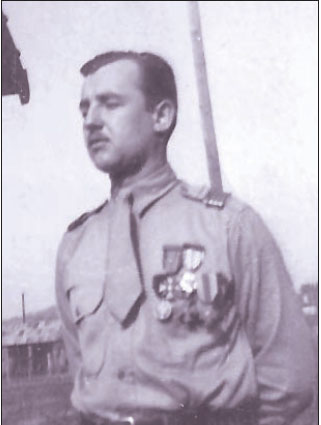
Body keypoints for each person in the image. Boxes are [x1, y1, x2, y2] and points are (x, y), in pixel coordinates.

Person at [55, 51, 315, 425]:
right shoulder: (76, 246)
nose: (91, 121)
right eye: (84, 110)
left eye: (110, 104)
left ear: (161, 116)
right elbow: (82, 376)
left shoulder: (229, 226)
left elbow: (289, 387)